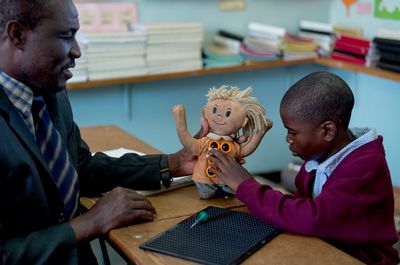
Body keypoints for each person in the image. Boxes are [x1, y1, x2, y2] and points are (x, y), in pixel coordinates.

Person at [0, 0, 207, 264]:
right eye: (65, 37)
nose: (76, 51)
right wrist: (90, 223)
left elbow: (80, 166)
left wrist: (171, 164)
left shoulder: (48, 88)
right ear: (17, 34)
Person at [208, 71, 400, 264]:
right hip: (325, 246)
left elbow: (313, 217)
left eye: (292, 132)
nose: (288, 139)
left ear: (327, 131)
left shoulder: (364, 168)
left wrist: (247, 187)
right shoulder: (317, 158)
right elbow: (299, 209)